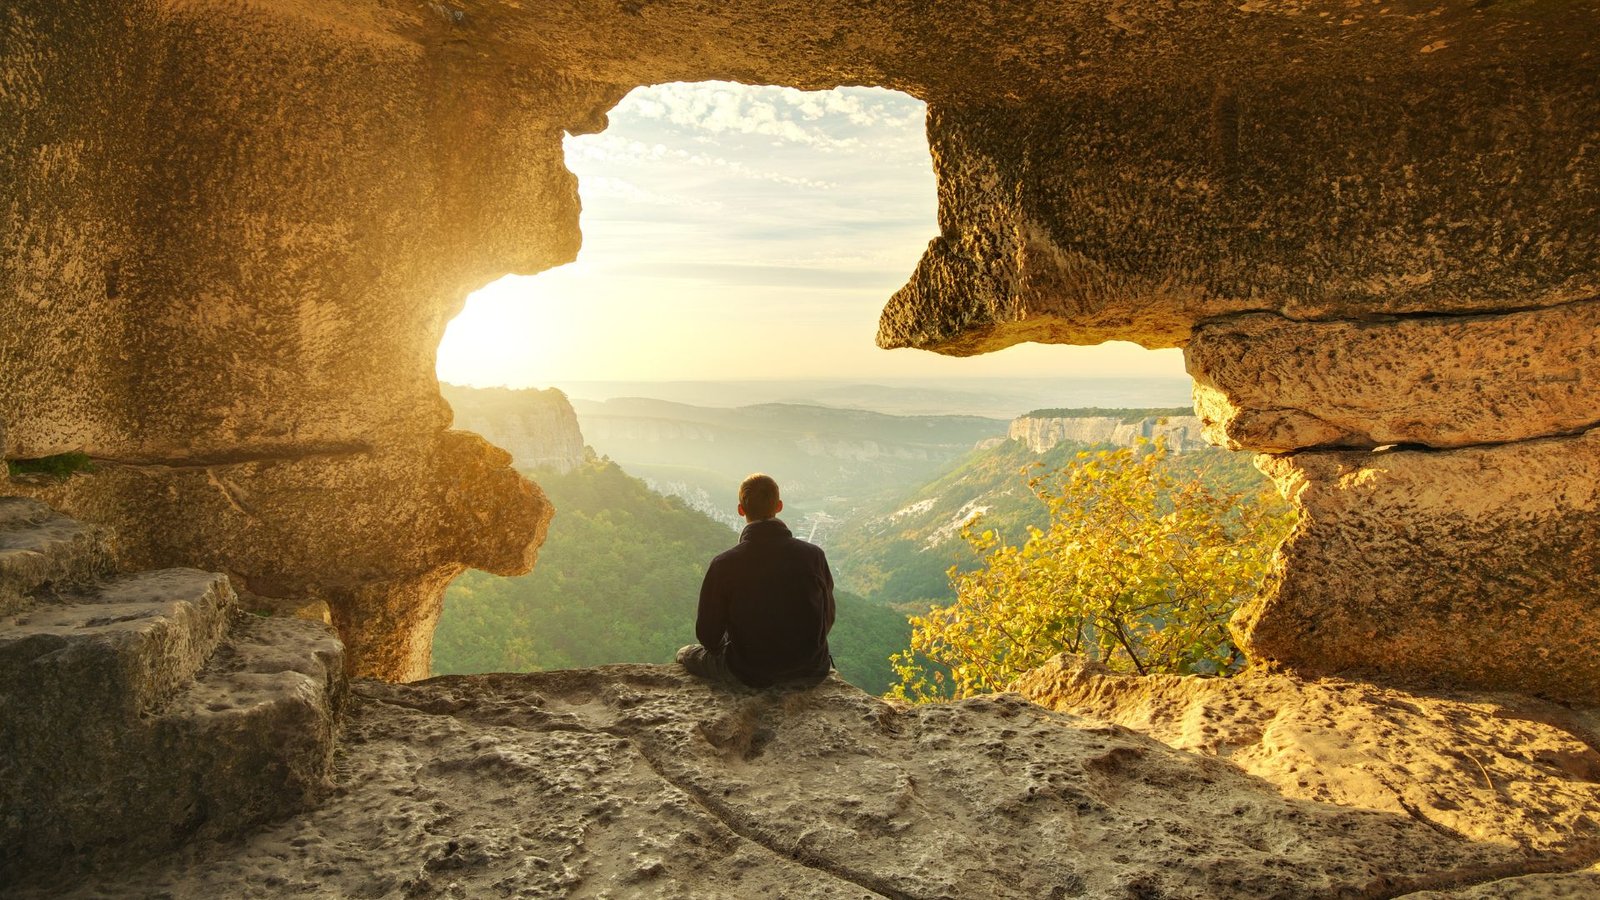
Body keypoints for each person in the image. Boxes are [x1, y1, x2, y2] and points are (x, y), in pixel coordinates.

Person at [677, 473, 835, 688]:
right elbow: (827, 618)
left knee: (686, 653)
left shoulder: (724, 564)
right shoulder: (813, 556)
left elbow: (708, 635)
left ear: (741, 510)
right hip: (810, 669)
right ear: (779, 506)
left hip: (749, 672)